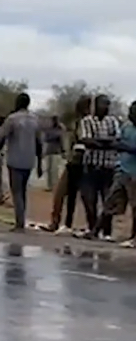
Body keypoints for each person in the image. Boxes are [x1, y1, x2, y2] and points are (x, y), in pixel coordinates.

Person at [42, 96, 92, 235]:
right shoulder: (77, 123)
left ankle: (65, 223)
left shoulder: (86, 123)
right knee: (66, 194)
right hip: (74, 160)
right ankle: (60, 222)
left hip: (80, 162)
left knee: (78, 195)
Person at [92, 101, 136, 247]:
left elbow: (125, 146)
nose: (131, 114)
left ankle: (133, 238)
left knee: (135, 206)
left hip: (134, 173)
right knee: (110, 202)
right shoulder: (126, 127)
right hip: (122, 169)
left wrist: (124, 146)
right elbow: (117, 143)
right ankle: (95, 231)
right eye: (130, 111)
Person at [0, 93, 43, 232]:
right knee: (23, 191)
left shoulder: (12, 119)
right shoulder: (35, 119)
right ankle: (21, 219)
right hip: (29, 160)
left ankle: (19, 223)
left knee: (16, 191)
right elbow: (39, 143)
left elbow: (2, 137)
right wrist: (40, 162)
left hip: (15, 159)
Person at [78, 94, 120, 240]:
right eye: (103, 104)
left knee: (107, 200)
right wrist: (105, 142)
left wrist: (98, 142)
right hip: (91, 166)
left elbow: (117, 141)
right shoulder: (87, 121)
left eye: (108, 104)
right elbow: (86, 140)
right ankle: (92, 228)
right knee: (90, 200)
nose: (106, 107)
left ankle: (107, 232)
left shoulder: (112, 121)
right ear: (96, 105)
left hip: (108, 166)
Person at [43, 115, 66, 192]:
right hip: (49, 150)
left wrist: (63, 151)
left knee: (54, 170)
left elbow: (61, 141)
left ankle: (54, 185)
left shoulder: (59, 129)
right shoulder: (50, 129)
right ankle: (49, 185)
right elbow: (46, 138)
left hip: (56, 151)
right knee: (49, 169)